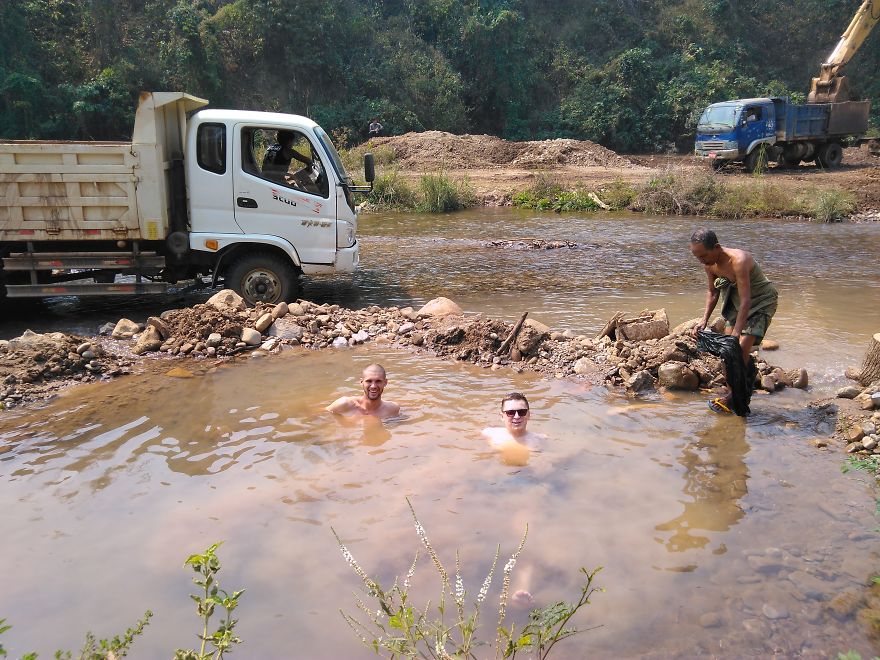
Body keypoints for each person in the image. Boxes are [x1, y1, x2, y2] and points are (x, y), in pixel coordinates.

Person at [690, 228, 778, 412]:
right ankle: (741, 386)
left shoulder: (739, 260)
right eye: (697, 257)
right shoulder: (709, 265)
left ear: (717, 247)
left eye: (704, 255)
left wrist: (737, 333)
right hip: (737, 304)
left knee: (740, 348)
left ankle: (734, 396)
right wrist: (703, 320)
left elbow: (747, 300)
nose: (701, 261)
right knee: (727, 353)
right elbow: (712, 292)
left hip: (760, 301)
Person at [326, 363, 401, 419]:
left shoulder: (393, 409)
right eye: (369, 381)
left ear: (385, 382)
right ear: (362, 382)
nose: (373, 386)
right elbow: (321, 415)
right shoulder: (344, 404)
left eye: (378, 381)